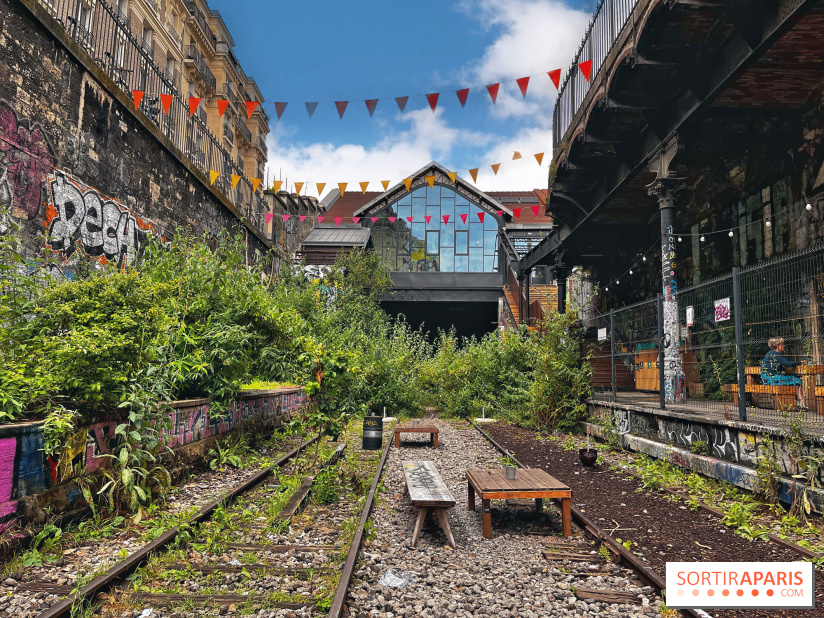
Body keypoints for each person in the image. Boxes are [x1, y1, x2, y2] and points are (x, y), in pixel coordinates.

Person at [761, 337, 805, 402]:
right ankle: (800, 401)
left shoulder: (770, 353)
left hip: (766, 378)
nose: (784, 346)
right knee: (797, 380)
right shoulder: (775, 354)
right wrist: (800, 362)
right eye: (782, 344)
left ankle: (794, 401)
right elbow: (788, 363)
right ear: (777, 345)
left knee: (789, 380)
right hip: (772, 378)